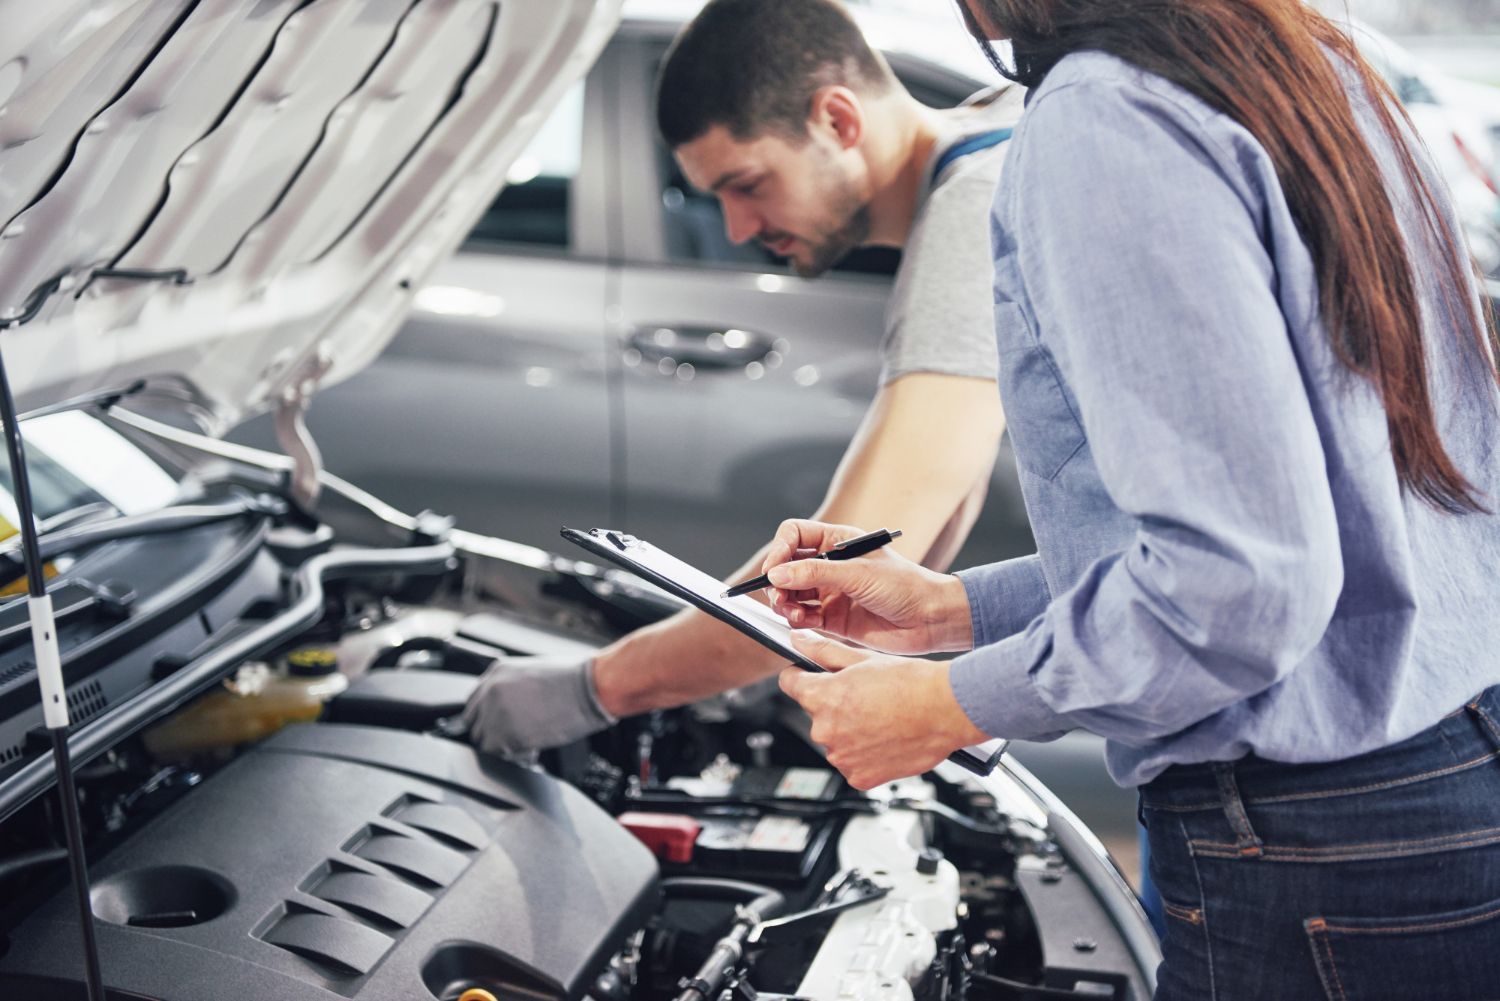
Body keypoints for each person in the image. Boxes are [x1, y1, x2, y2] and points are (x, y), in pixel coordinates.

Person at [762, 1, 1500, 997]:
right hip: (1445, 773)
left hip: (1311, 847)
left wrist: (949, 703)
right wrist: (954, 610)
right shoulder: (1306, 54)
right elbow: (1319, 516)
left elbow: (1237, 584)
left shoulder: (1105, 116)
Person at [464, 0, 1024, 754]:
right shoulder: (993, 134)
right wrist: (775, 660)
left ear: (837, 120)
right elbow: (924, 521)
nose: (735, 229)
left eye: (749, 183)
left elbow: (832, 568)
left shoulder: (972, 214)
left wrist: (594, 686)